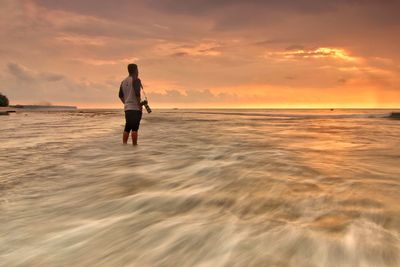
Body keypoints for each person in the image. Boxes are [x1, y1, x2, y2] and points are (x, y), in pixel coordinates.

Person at [119, 64, 143, 145]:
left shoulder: (123, 81)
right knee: (135, 129)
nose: (138, 71)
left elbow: (120, 96)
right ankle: (134, 147)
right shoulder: (136, 80)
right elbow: (137, 94)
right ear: (135, 70)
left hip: (127, 109)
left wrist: (126, 103)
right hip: (135, 108)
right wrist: (139, 106)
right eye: (137, 69)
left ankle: (124, 145)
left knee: (127, 127)